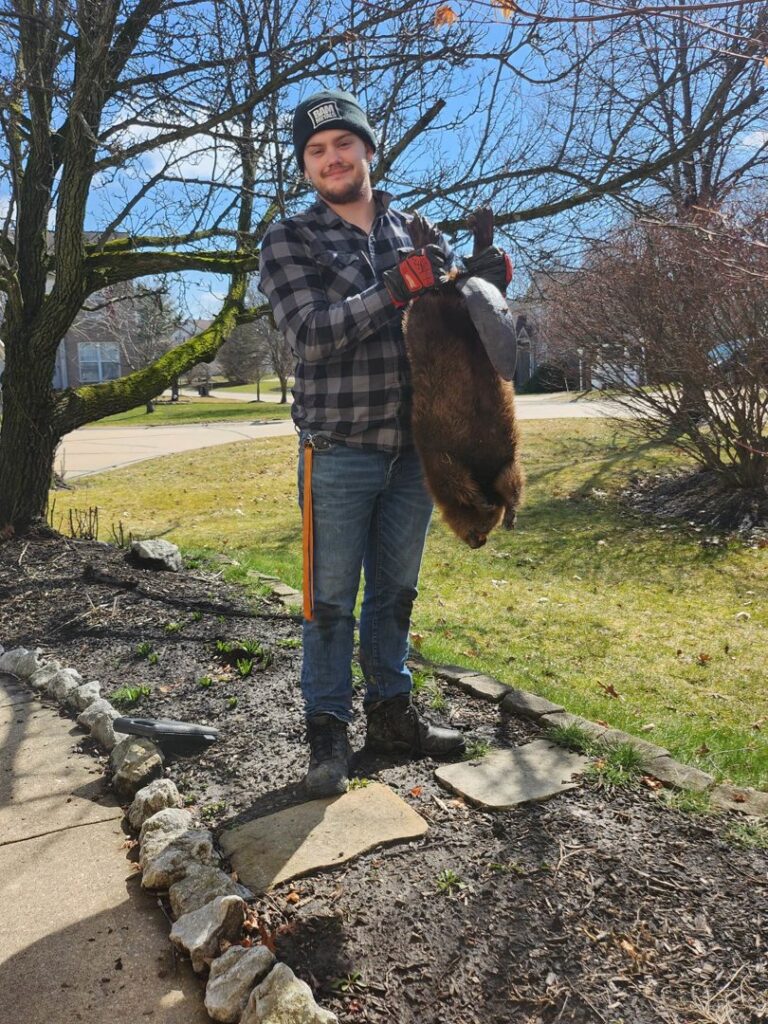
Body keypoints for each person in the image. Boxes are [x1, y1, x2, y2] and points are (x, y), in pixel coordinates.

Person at [259, 89, 511, 798]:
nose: (332, 158)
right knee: (329, 601)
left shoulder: (418, 227)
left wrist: (481, 282)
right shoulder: (291, 238)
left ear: (369, 149)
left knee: (395, 594)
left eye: (343, 143)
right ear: (306, 166)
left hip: (417, 453)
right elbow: (310, 337)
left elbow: (454, 318)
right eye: (315, 150)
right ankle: (327, 733)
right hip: (335, 449)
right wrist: (394, 290)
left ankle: (393, 718)